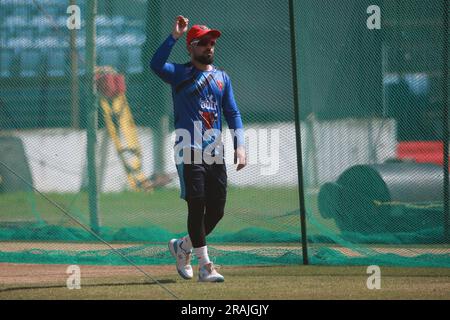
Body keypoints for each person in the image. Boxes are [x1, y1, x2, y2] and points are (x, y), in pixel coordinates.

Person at [150, 16, 246, 282]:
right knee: (197, 205)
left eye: (212, 42)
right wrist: (174, 36)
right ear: (191, 47)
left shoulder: (222, 78)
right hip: (188, 149)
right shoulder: (180, 73)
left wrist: (241, 145)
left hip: (215, 151)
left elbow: (233, 112)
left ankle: (183, 247)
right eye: (203, 42)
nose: (209, 47)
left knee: (216, 211)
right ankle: (206, 267)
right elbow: (155, 64)